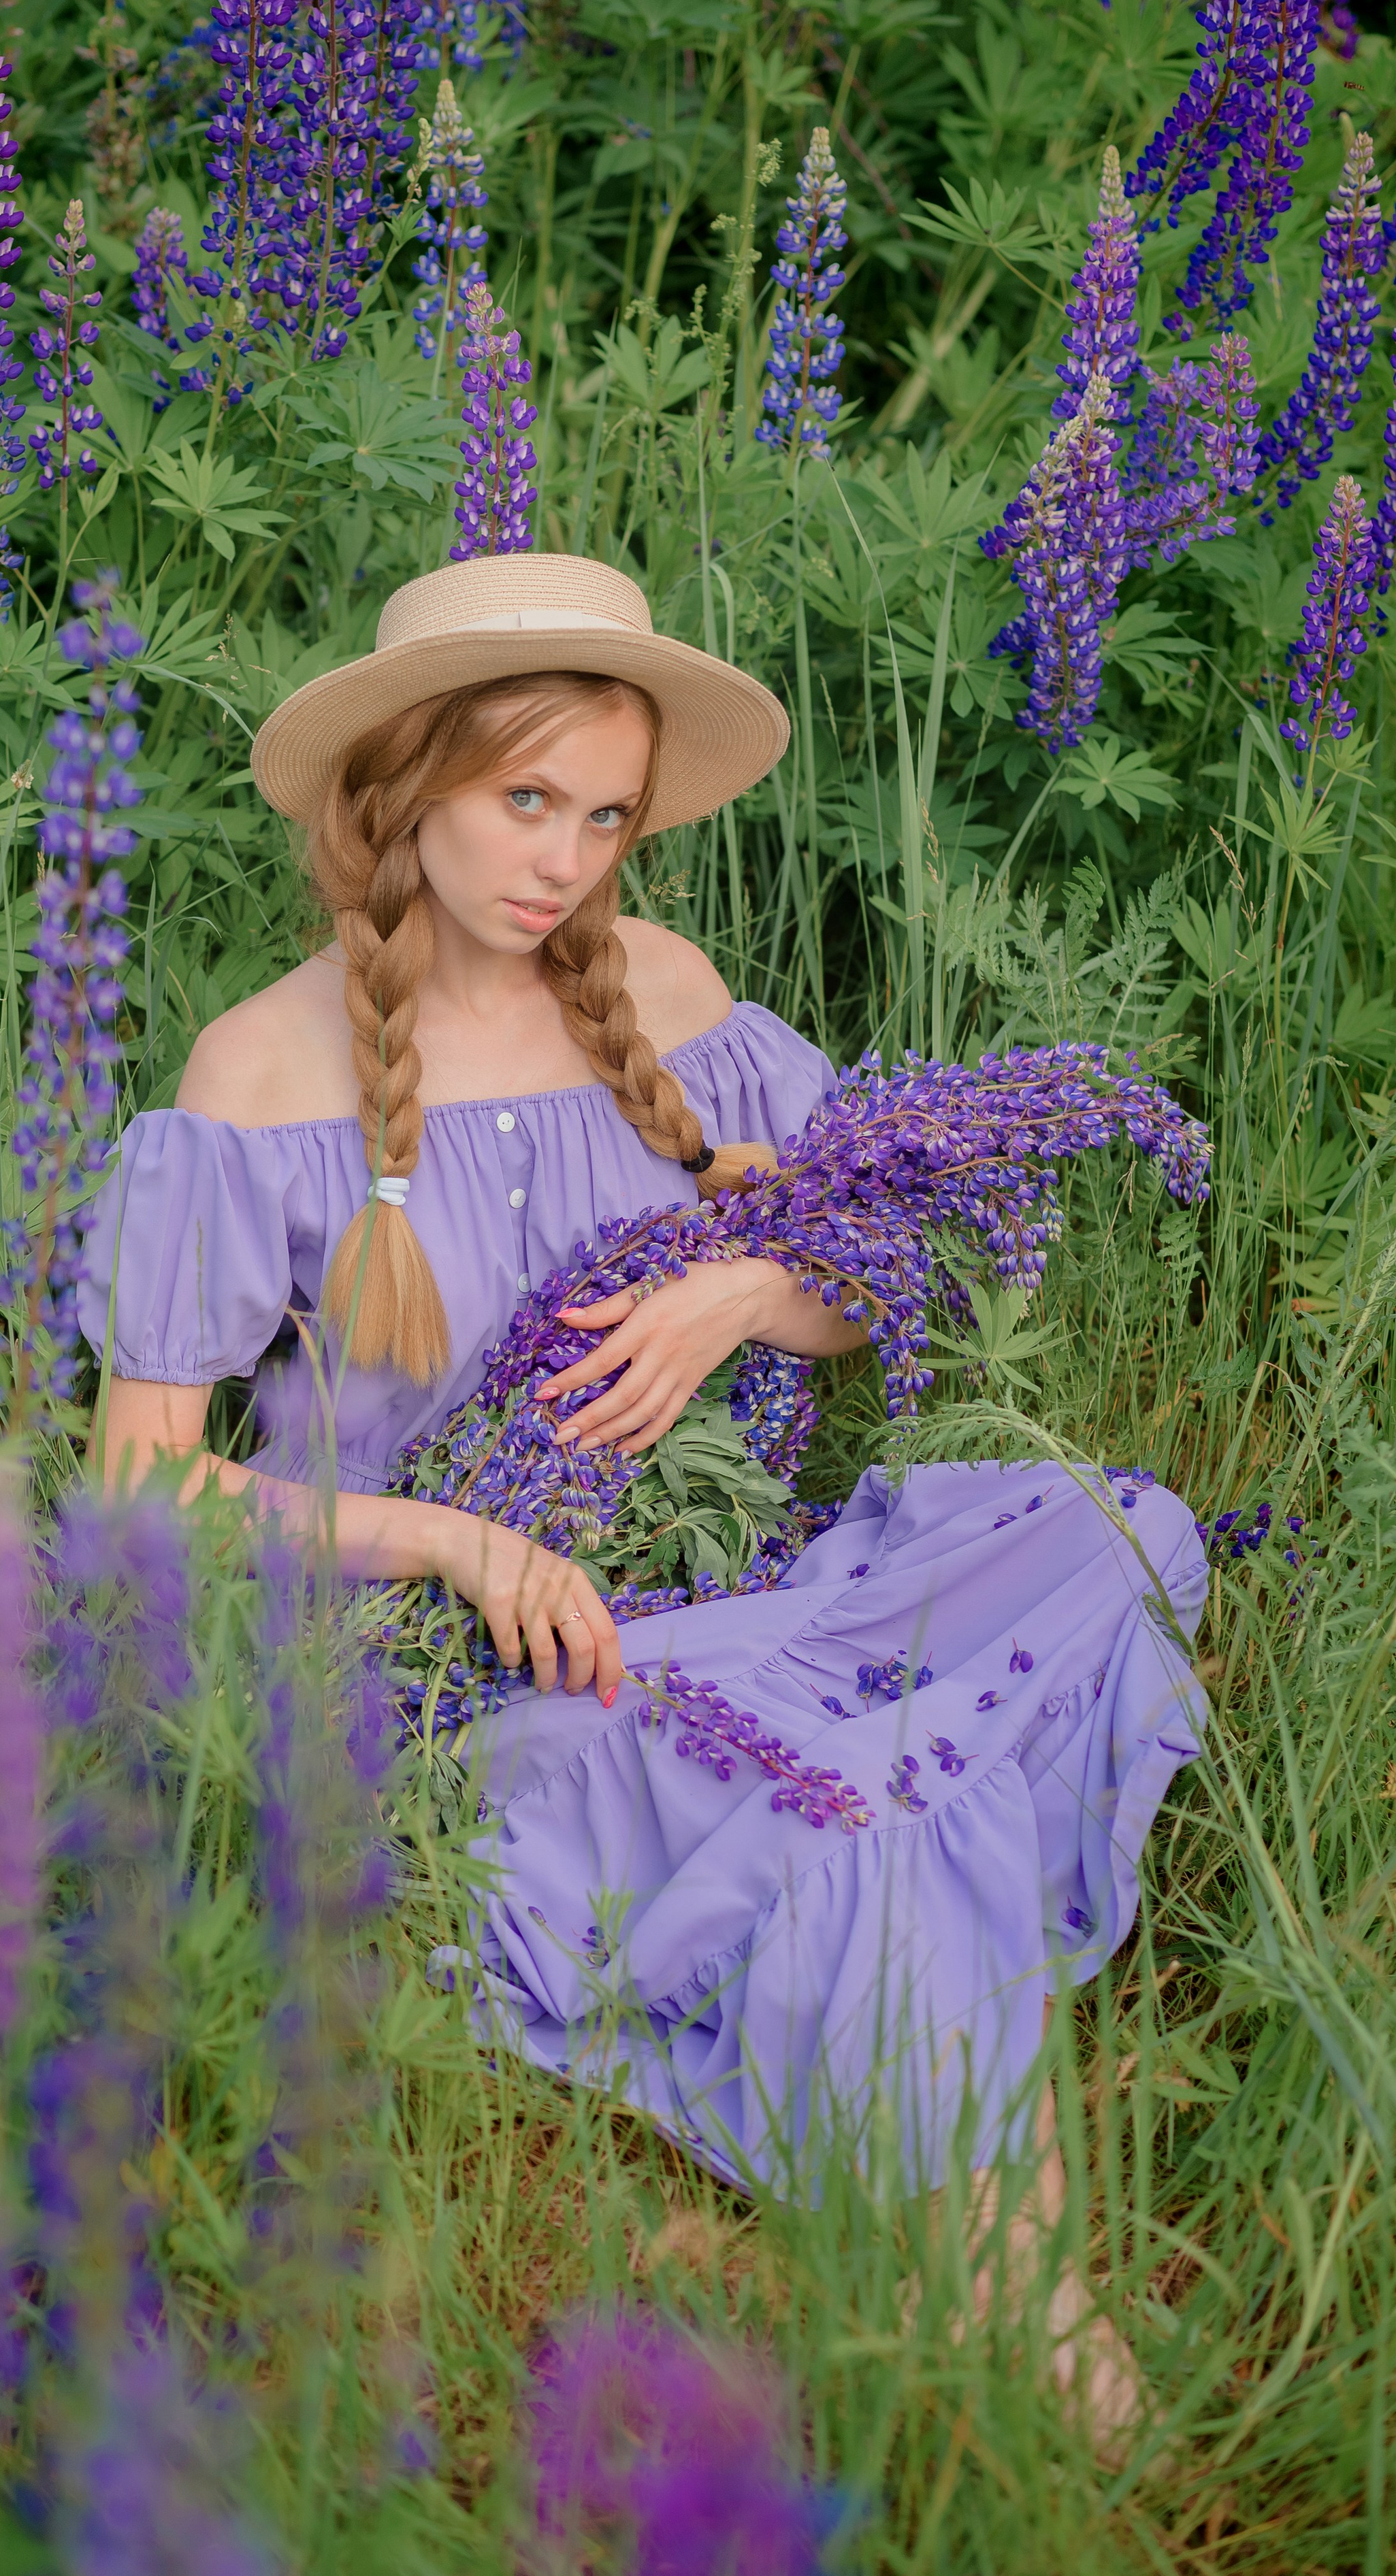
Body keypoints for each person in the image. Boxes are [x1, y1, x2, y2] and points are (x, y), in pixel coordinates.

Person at [79, 552, 1205, 2438]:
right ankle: (1027, 2286)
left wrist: (745, 1292)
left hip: (712, 1582)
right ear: (405, 782)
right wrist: (453, 1532)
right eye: (526, 801)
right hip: (458, 1675)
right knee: (841, 1819)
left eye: (604, 815)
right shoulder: (260, 1074)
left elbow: (876, 1262)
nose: (565, 862)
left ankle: (880, 1891)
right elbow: (140, 1486)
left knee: (1122, 1531)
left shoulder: (668, 993)